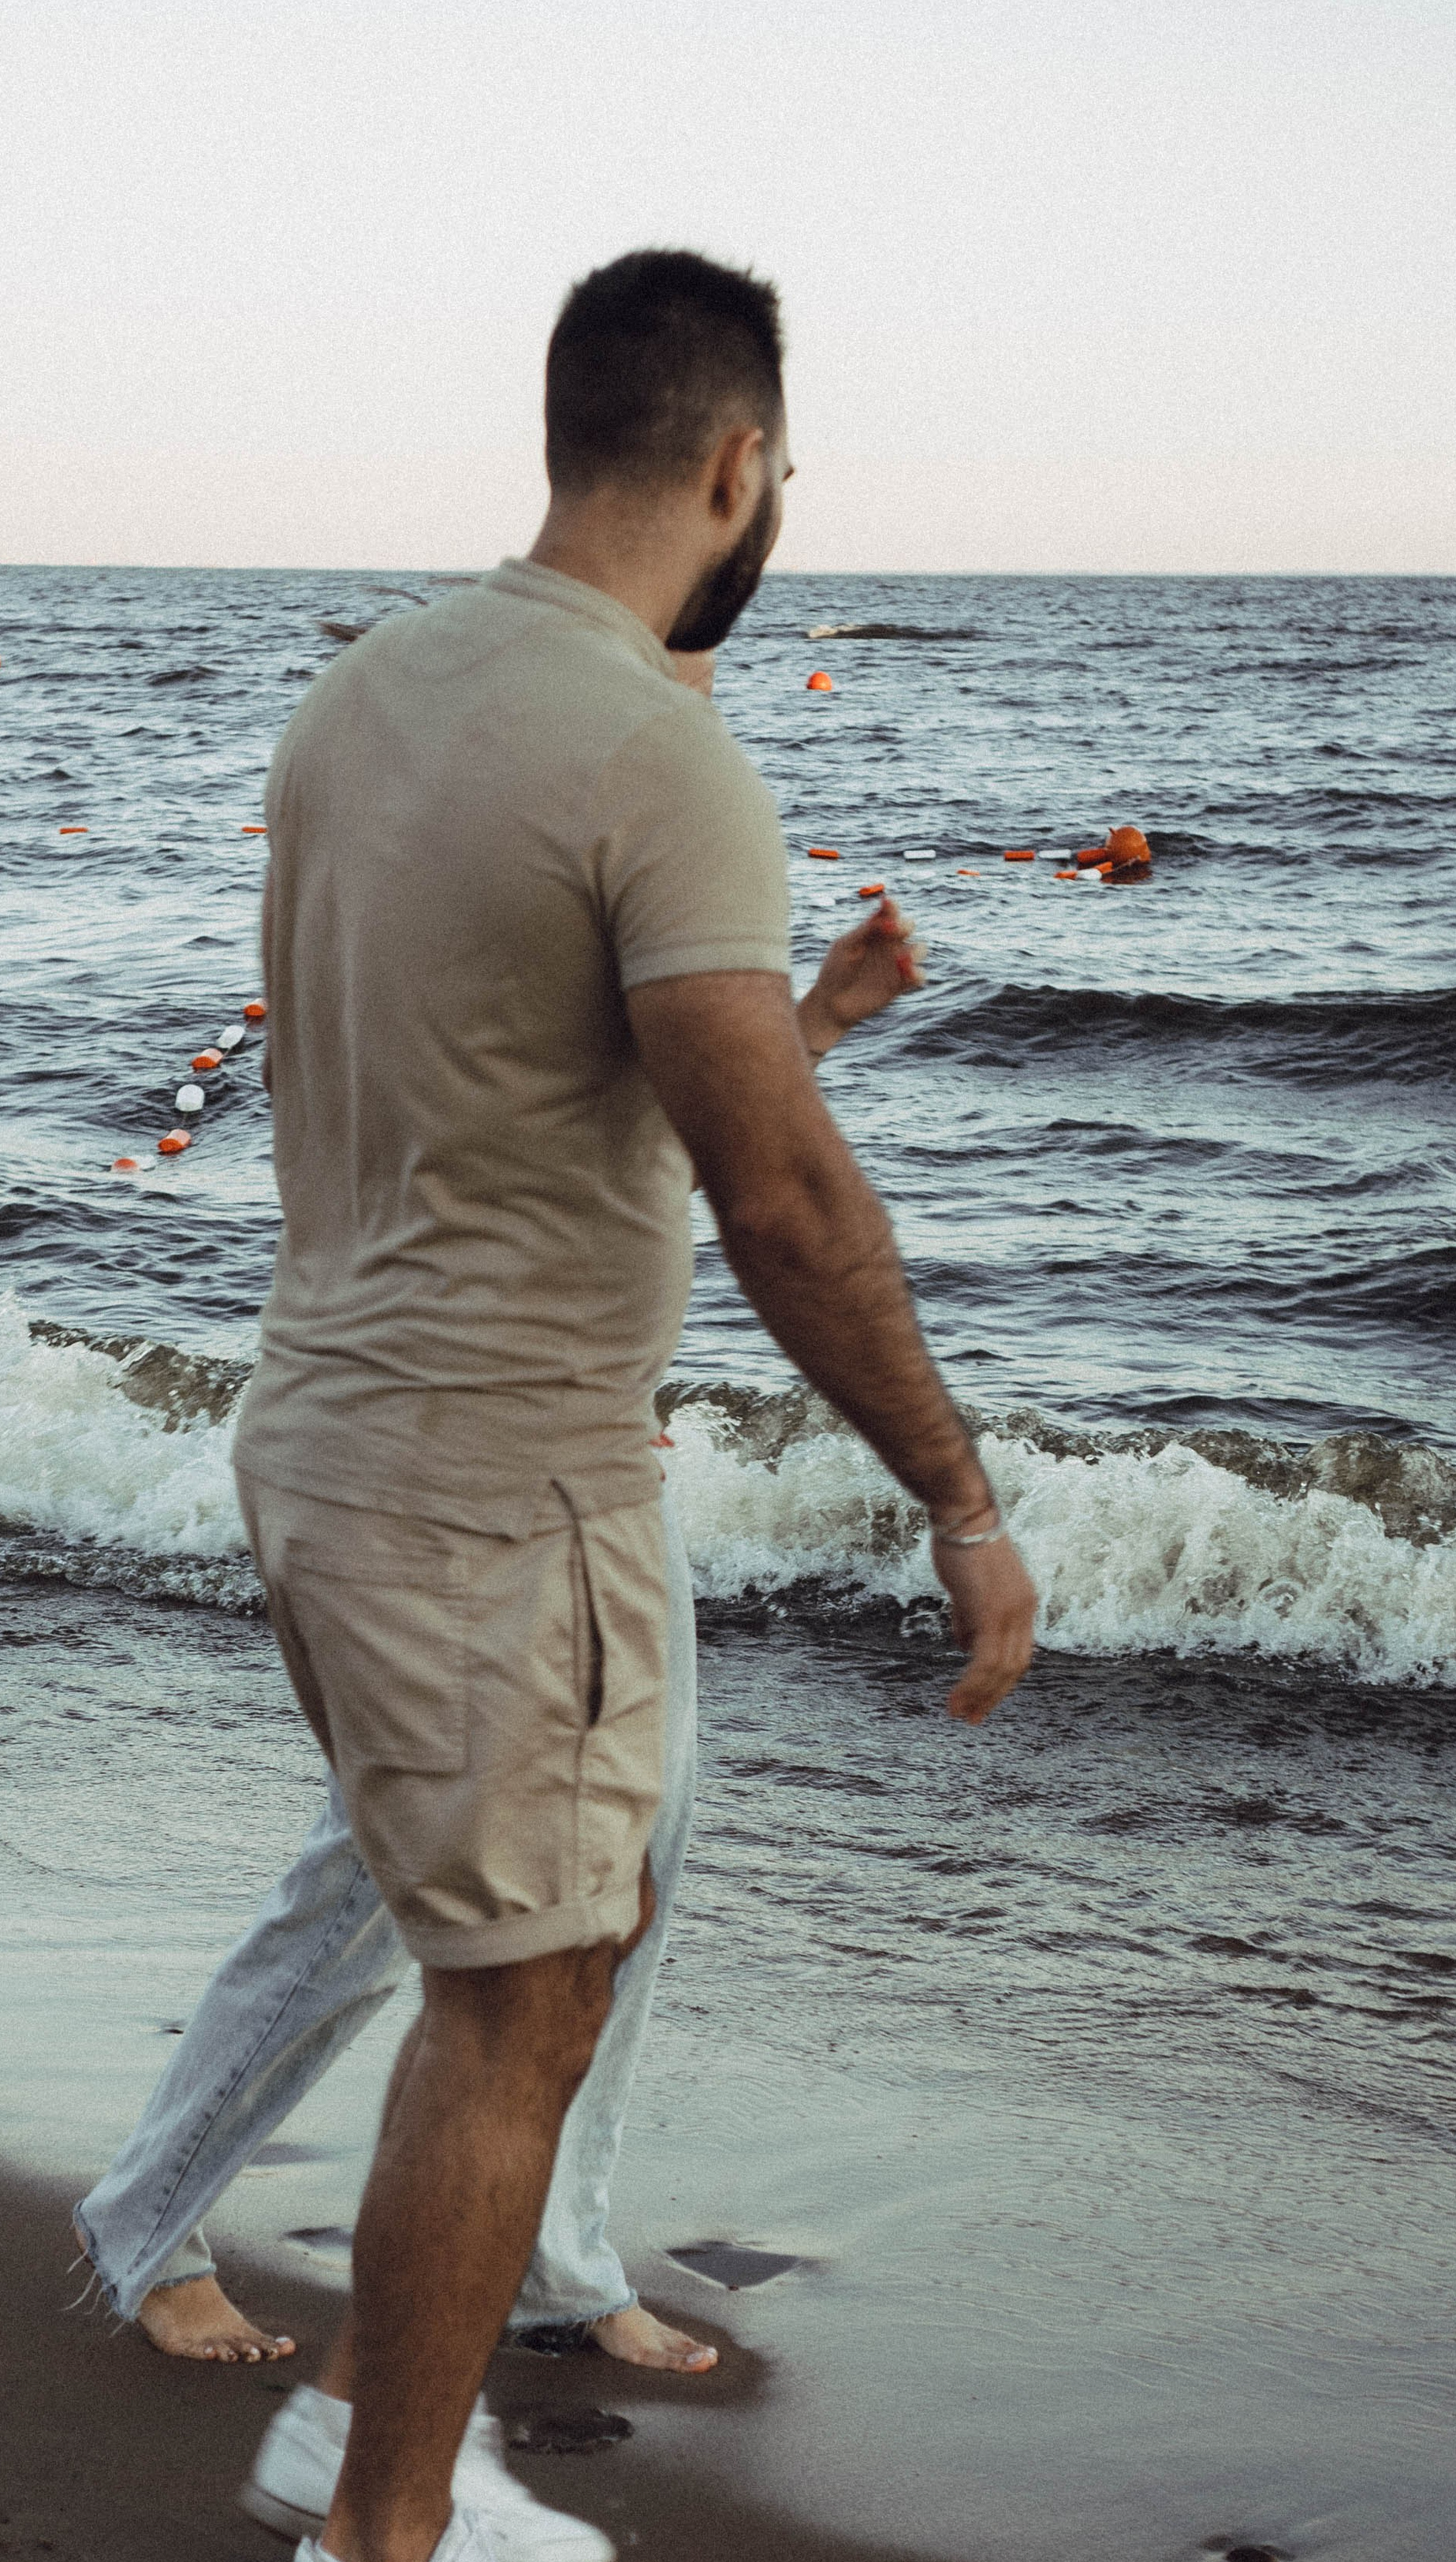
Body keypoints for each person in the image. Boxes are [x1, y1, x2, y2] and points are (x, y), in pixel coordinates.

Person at [219, 248, 1035, 2562]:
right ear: (735, 463)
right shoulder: (659, 748)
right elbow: (776, 1188)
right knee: (524, 1990)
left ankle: (382, 2440)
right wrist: (956, 1492)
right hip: (492, 1474)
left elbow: (534, 1089)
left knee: (574, 1927)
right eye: (778, 465)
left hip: (362, 1418)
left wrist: (799, 1022)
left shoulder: (370, 697)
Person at [72, 672, 926, 2389]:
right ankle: (149, 2220)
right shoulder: (478, 818)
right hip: (441, 1453)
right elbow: (521, 1153)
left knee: (634, 1864)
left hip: (586, 1456)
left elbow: (631, 1137)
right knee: (380, 1885)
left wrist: (817, 1019)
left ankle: (550, 2251)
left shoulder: (606, 808)